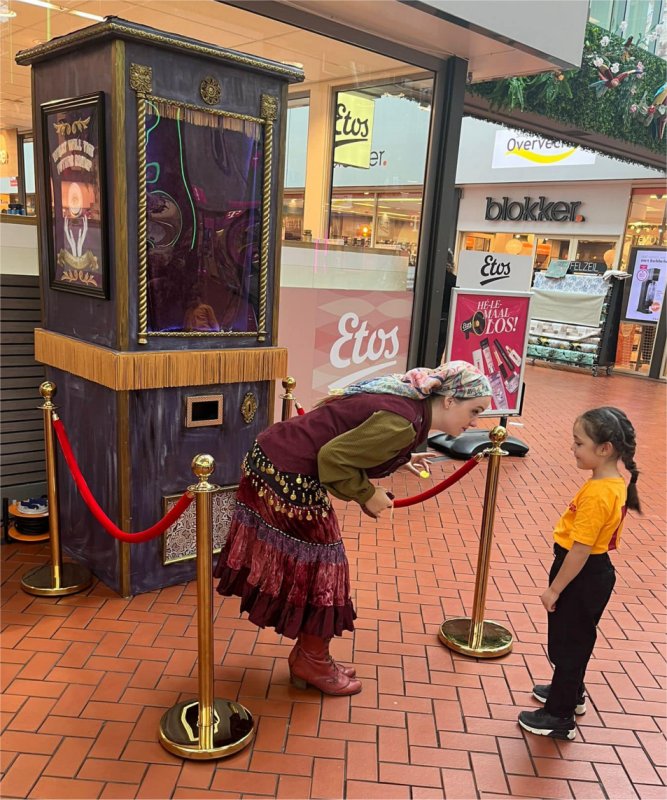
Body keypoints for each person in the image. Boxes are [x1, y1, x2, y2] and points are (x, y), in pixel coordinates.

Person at [214, 361, 492, 696]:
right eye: (473, 410)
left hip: (278, 459)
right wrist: (367, 494)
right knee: (325, 570)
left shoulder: (410, 404)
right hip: (287, 472)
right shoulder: (404, 421)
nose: (475, 422)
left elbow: (352, 433)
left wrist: (403, 458)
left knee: (322, 566)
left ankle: (311, 655)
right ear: (449, 400)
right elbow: (334, 458)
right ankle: (311, 661)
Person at [518, 406, 641, 740]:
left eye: (579, 443)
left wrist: (554, 589)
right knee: (570, 642)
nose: (572, 448)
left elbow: (581, 549)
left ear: (605, 449)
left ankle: (559, 716)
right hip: (589, 573)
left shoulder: (600, 494)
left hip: (582, 573)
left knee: (568, 646)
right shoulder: (610, 481)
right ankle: (569, 692)